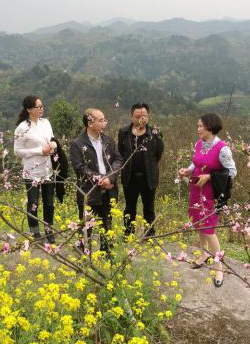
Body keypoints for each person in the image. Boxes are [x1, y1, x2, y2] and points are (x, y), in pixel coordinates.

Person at [178, 113, 236, 287]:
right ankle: (204, 254)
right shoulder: (199, 144)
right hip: (196, 190)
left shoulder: (222, 149)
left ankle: (218, 266)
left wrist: (210, 176)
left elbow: (232, 172)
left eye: (200, 126)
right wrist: (188, 170)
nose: (198, 129)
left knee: (209, 229)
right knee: (199, 223)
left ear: (209, 127)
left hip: (210, 195)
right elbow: (196, 163)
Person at [70, 108, 122, 253]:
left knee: (107, 224)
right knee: (87, 226)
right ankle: (84, 254)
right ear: (90, 123)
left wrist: (110, 178)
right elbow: (79, 167)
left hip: (109, 189)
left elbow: (118, 159)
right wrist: (99, 178)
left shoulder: (108, 141)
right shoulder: (77, 144)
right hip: (89, 191)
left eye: (104, 119)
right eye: (101, 120)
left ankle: (107, 254)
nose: (104, 123)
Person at [14, 95, 58, 244]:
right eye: (38, 107)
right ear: (29, 109)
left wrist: (53, 146)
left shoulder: (46, 123)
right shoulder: (22, 128)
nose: (41, 109)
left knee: (49, 202)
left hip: (47, 169)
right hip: (31, 171)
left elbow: (52, 140)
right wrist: (39, 150)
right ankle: (35, 233)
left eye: (42, 106)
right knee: (33, 203)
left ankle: (48, 230)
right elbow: (17, 151)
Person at [118, 103, 164, 237]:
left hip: (148, 177)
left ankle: (149, 234)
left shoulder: (155, 132)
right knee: (129, 207)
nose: (141, 119)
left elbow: (158, 153)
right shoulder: (124, 132)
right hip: (129, 176)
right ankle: (128, 233)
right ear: (132, 117)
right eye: (137, 116)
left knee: (149, 208)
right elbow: (121, 151)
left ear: (148, 116)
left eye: (144, 116)